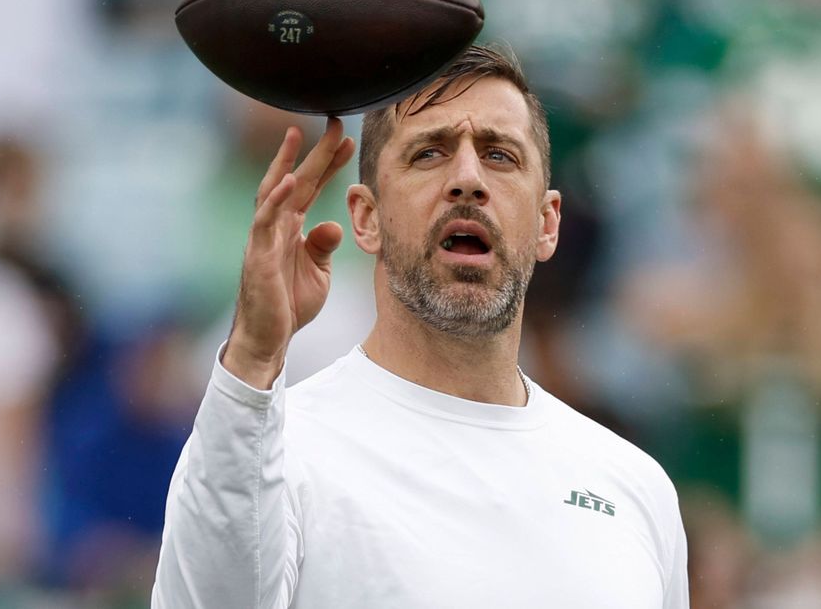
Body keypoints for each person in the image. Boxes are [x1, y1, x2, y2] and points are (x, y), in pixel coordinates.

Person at [151, 46, 689, 608]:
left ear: (547, 222)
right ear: (366, 217)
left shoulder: (634, 485)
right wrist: (255, 357)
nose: (467, 179)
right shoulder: (271, 452)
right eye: (429, 153)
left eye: (500, 155)